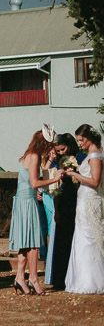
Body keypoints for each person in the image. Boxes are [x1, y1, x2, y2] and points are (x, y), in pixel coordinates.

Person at [10, 131, 61, 295]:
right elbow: (34, 183)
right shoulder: (34, 156)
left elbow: (36, 175)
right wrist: (55, 179)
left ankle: (20, 277)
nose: (51, 148)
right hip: (27, 202)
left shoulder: (30, 155)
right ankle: (32, 278)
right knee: (33, 243)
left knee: (26, 244)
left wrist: (50, 163)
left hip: (23, 201)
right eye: (50, 145)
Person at [63, 124, 104, 294]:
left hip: (90, 202)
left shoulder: (95, 156)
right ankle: (82, 278)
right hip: (83, 202)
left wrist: (75, 175)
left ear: (90, 138)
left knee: (90, 239)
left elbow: (94, 181)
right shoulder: (91, 155)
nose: (79, 143)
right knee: (82, 238)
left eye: (81, 140)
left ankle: (91, 281)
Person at [46, 133, 84, 289]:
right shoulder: (57, 161)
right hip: (62, 201)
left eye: (63, 149)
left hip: (78, 198)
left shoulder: (80, 158)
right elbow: (52, 184)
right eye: (58, 150)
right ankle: (60, 278)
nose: (61, 152)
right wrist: (56, 209)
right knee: (62, 241)